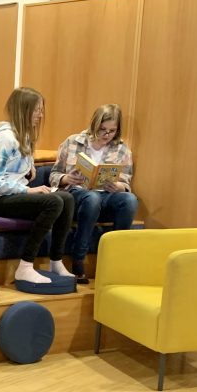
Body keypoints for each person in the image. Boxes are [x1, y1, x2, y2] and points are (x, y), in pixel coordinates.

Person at [0, 88, 75, 286]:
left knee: (67, 198)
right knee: (53, 202)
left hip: (8, 195)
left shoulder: (23, 137)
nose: (40, 115)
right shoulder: (5, 139)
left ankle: (56, 261)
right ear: (23, 110)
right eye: (36, 110)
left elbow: (13, 168)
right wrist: (28, 190)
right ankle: (26, 266)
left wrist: (29, 167)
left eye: (41, 110)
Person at [49, 104, 138, 284]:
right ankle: (78, 259)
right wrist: (67, 178)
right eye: (102, 129)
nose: (107, 135)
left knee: (130, 200)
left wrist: (119, 186)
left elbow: (126, 181)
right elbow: (54, 175)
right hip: (78, 194)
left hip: (106, 194)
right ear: (94, 125)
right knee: (92, 198)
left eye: (112, 131)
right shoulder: (73, 142)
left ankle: (116, 261)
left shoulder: (122, 149)